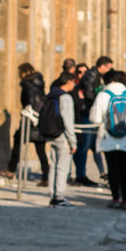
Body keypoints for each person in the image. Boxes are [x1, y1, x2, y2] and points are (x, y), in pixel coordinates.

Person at [89, 70, 126, 210]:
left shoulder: (103, 95)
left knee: (112, 168)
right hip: (125, 137)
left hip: (108, 137)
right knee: (124, 168)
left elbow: (94, 118)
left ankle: (115, 198)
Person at [3, 62, 50, 184]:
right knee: (41, 149)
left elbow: (28, 101)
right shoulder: (40, 81)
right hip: (40, 119)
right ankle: (46, 176)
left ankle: (11, 170)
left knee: (18, 143)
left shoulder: (27, 84)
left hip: (29, 118)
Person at [41, 72, 78, 207]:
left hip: (52, 134)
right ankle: (59, 196)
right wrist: (73, 141)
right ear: (68, 82)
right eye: (73, 82)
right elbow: (68, 121)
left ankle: (53, 194)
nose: (74, 85)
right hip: (62, 136)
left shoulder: (52, 95)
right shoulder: (66, 97)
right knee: (63, 167)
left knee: (54, 166)